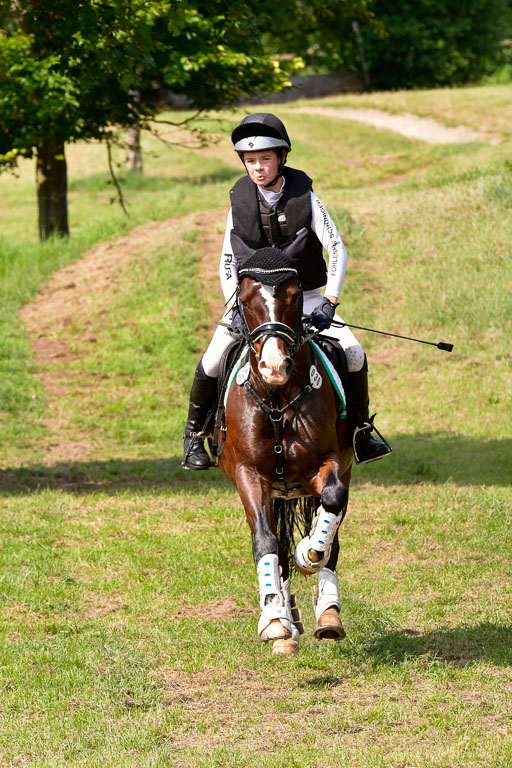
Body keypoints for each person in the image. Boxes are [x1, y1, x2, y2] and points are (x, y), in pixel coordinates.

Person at [182, 112, 391, 469]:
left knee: (353, 354)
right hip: (254, 305)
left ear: (281, 158)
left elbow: (336, 248)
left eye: (265, 159)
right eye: (250, 161)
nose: (258, 168)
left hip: (305, 297)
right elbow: (227, 261)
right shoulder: (240, 200)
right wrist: (235, 305)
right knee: (214, 358)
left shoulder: (305, 196)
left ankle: (361, 432)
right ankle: (194, 436)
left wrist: (329, 301)